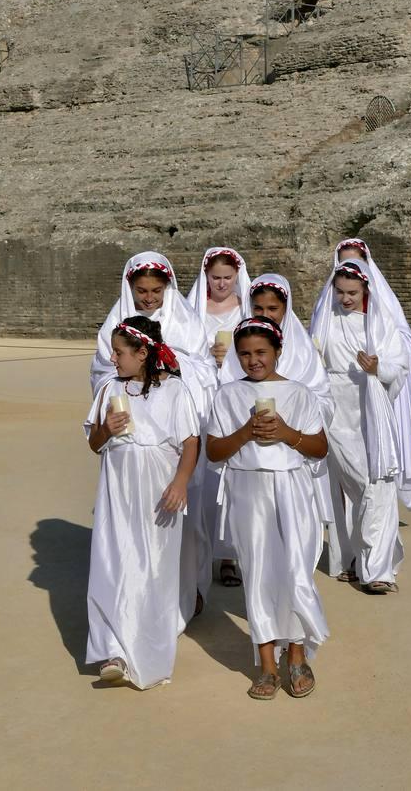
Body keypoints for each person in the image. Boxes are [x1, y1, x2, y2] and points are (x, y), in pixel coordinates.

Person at [90, 251, 217, 623]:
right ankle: (135, 605)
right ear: (130, 288)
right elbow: (102, 373)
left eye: (156, 291)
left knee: (184, 523)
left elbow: (205, 373)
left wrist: (171, 364)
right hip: (131, 441)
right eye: (141, 291)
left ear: (168, 287)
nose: (149, 298)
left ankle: (187, 592)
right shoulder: (115, 323)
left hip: (174, 438)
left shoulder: (186, 322)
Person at [206, 317, 329, 700]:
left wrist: (287, 434)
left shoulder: (298, 393)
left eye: (261, 352)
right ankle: (266, 664)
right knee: (258, 573)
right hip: (248, 491)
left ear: (278, 351)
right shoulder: (227, 395)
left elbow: (320, 448)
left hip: (292, 490)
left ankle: (297, 655)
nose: (253, 360)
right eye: (244, 354)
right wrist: (245, 432)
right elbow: (213, 452)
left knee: (295, 570)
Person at [85, 316, 200, 688]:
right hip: (117, 491)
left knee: (152, 566)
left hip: (159, 491)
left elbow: (190, 441)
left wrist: (181, 481)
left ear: (142, 353)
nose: (112, 359)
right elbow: (94, 443)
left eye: (119, 352)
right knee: (113, 562)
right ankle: (112, 650)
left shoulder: (175, 390)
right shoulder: (109, 388)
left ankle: (146, 642)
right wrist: (107, 429)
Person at [311, 260, 409, 593]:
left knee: (378, 484)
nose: (346, 298)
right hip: (336, 410)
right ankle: (354, 556)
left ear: (366, 289)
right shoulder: (325, 319)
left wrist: (378, 367)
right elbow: (312, 359)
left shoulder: (380, 323)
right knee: (356, 484)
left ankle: (377, 569)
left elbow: (399, 365)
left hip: (370, 407)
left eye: (352, 292)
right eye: (340, 292)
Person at [220, 273, 335, 535]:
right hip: (248, 463)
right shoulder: (240, 350)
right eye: (258, 309)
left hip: (292, 461)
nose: (266, 315)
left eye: (273, 309)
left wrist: (291, 411)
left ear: (286, 308)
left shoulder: (304, 352)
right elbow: (226, 399)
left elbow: (323, 399)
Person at [324, 238, 411, 511]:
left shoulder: (383, 310)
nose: (346, 297)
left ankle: (376, 518)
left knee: (371, 473)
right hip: (337, 402)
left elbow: (401, 347)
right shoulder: (327, 312)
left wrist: (378, 366)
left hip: (373, 396)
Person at [186, 247, 251, 587]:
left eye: (228, 277)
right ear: (206, 277)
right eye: (216, 278)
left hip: (235, 391)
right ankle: (199, 550)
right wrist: (206, 355)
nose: (222, 283)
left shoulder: (246, 308)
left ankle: (228, 556)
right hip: (204, 394)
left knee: (230, 471)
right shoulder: (193, 310)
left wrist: (235, 359)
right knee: (204, 472)